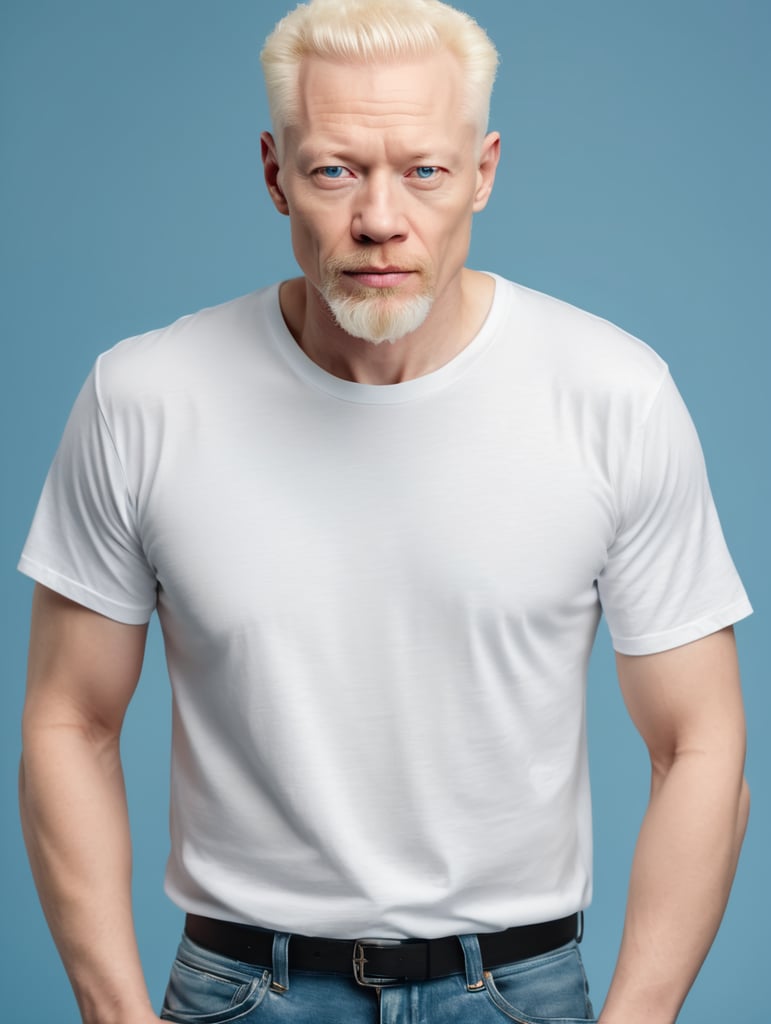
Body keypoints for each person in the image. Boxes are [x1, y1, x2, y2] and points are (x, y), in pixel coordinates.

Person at [18, 0, 751, 1021]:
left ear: (484, 171)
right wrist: (113, 1010)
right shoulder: (143, 399)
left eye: (424, 169)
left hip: (516, 990)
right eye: (333, 170)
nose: (378, 217)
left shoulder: (614, 396)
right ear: (275, 172)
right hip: (241, 988)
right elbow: (71, 719)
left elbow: (701, 743)